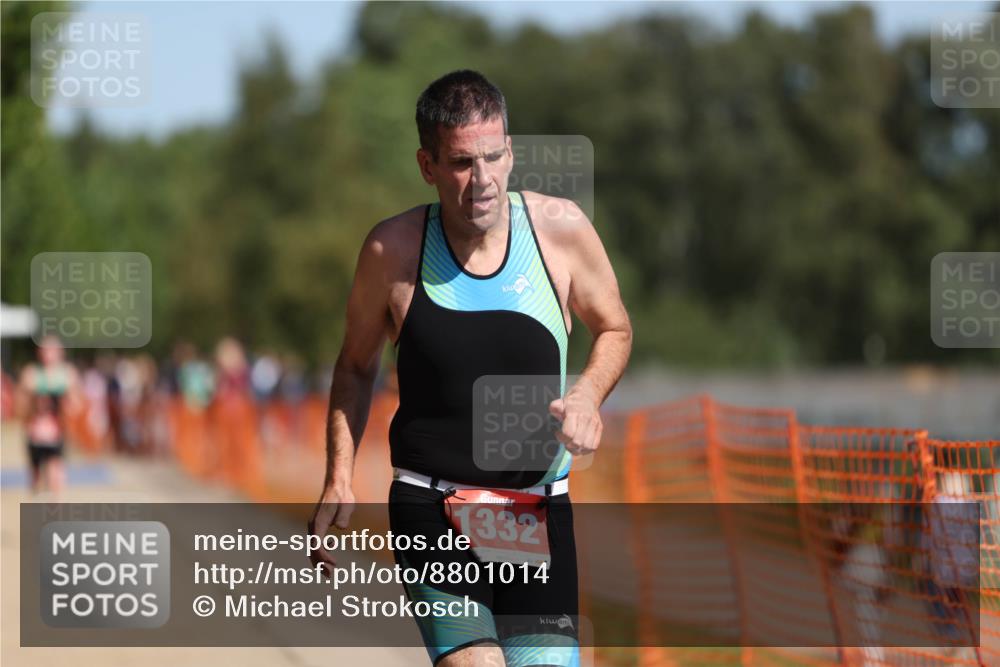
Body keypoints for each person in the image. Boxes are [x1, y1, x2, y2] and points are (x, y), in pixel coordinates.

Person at [309, 69, 632, 667]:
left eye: (493, 156)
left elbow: (615, 327)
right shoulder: (392, 250)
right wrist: (340, 474)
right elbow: (355, 368)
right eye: (461, 163)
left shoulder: (558, 231)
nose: (481, 180)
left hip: (533, 510)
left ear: (510, 152)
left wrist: (587, 397)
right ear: (426, 165)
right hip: (431, 506)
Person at [16, 335, 82, 495]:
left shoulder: (68, 375)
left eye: (52, 350)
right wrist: (32, 400)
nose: (48, 354)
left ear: (60, 352)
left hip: (57, 434)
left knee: (56, 477)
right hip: (35, 434)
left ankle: (56, 512)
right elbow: (19, 407)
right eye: (45, 350)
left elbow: (78, 407)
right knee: (36, 480)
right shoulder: (30, 374)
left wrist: (66, 402)